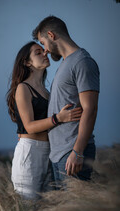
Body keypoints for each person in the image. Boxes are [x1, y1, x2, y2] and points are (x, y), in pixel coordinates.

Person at [6, 41, 82, 199]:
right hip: (30, 152)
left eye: (43, 51)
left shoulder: (47, 91)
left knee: (47, 206)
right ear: (27, 62)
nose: (44, 54)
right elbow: (29, 126)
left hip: (50, 151)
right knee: (28, 207)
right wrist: (58, 118)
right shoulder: (23, 88)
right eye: (38, 53)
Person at [32, 16, 100, 188]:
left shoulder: (82, 62)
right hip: (59, 154)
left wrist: (77, 151)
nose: (45, 51)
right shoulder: (65, 63)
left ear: (51, 35)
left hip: (72, 152)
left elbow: (90, 109)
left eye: (43, 42)